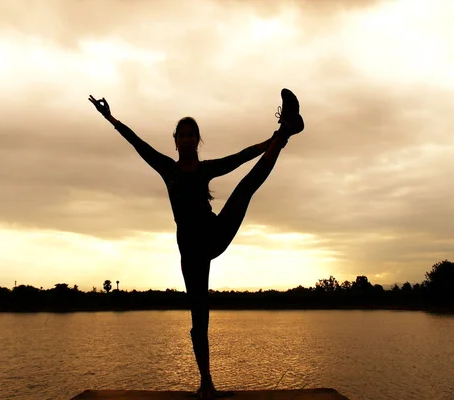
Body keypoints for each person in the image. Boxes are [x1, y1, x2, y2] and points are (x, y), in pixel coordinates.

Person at [88, 89, 304, 399]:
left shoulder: (205, 170)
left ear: (197, 140)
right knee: (198, 317)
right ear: (175, 140)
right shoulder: (168, 169)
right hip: (190, 251)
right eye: (182, 135)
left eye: (192, 135)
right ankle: (206, 383)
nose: (187, 139)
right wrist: (110, 118)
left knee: (245, 188)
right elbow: (138, 144)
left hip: (214, 233)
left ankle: (284, 131)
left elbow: (242, 156)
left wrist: (271, 141)